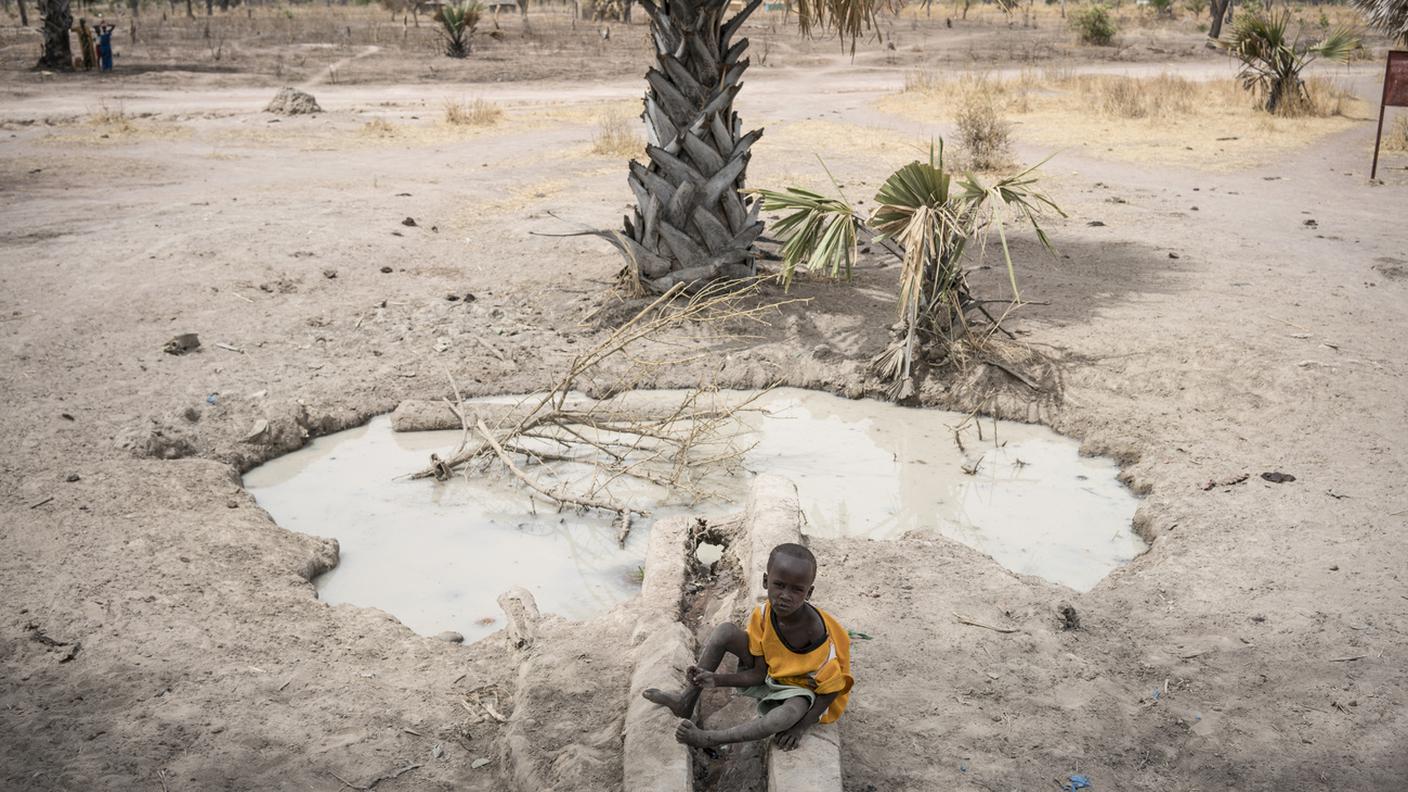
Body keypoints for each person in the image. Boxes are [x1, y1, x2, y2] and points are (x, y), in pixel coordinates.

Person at [643, 543, 853, 750]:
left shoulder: (813, 631)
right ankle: (686, 701)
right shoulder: (762, 615)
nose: (785, 595)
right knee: (725, 631)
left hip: (801, 687)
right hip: (774, 673)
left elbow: (831, 689)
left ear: (809, 593)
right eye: (779, 585)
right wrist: (714, 680)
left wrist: (799, 728)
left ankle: (710, 738)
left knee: (784, 717)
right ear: (765, 581)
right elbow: (759, 674)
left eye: (797, 590)